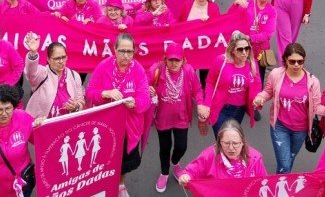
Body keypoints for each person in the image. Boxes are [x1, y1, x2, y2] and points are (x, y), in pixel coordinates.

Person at [253, 43, 325, 173]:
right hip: (279, 126)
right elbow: (268, 92)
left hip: (300, 130)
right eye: (292, 61)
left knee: (290, 157)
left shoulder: (313, 82)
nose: (296, 65)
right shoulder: (276, 74)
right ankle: (280, 188)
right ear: (285, 60)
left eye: (300, 61)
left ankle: (283, 180)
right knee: (284, 164)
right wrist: (260, 97)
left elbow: (317, 108)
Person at [85, 34, 151, 197]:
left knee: (124, 163)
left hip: (129, 128)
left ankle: (120, 184)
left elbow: (145, 100)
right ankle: (103, 185)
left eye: (130, 51)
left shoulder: (138, 70)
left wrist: (134, 103)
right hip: (105, 127)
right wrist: (105, 93)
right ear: (114, 49)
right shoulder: (104, 66)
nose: (126, 55)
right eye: (122, 51)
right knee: (104, 161)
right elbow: (90, 92)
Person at [148, 43, 209, 192]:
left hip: (182, 118)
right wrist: (148, 90)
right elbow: (142, 84)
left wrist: (200, 103)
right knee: (165, 147)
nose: (174, 63)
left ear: (183, 60)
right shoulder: (156, 70)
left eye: (177, 60)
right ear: (165, 60)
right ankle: (164, 172)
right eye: (170, 60)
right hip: (162, 119)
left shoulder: (188, 71)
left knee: (182, 146)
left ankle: (175, 163)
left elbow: (197, 90)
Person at [204, 32, 261, 137]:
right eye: (240, 49)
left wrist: (257, 98)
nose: (244, 52)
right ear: (233, 50)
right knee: (222, 139)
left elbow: (257, 84)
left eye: (247, 48)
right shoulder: (221, 61)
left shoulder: (252, 64)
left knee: (231, 139)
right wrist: (207, 104)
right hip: (221, 108)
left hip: (239, 110)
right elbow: (210, 82)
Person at [178, 119, 268, 185]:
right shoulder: (209, 155)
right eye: (226, 143)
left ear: (243, 142)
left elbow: (264, 182)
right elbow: (191, 172)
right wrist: (185, 177)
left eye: (235, 143)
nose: (231, 148)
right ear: (220, 142)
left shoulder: (255, 157)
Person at [23, 32, 85, 118]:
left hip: (65, 124)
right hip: (41, 125)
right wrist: (33, 53)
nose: (61, 61)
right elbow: (31, 72)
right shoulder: (42, 73)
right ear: (48, 60)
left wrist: (76, 106)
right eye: (57, 58)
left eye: (63, 57)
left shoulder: (74, 75)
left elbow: (80, 101)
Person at [229, 0, 277, 85]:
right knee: (241, 72)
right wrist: (235, 4)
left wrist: (249, 38)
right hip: (243, 47)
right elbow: (230, 18)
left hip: (260, 50)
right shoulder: (247, 4)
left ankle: (256, 98)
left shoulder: (271, 11)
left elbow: (267, 34)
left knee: (258, 76)